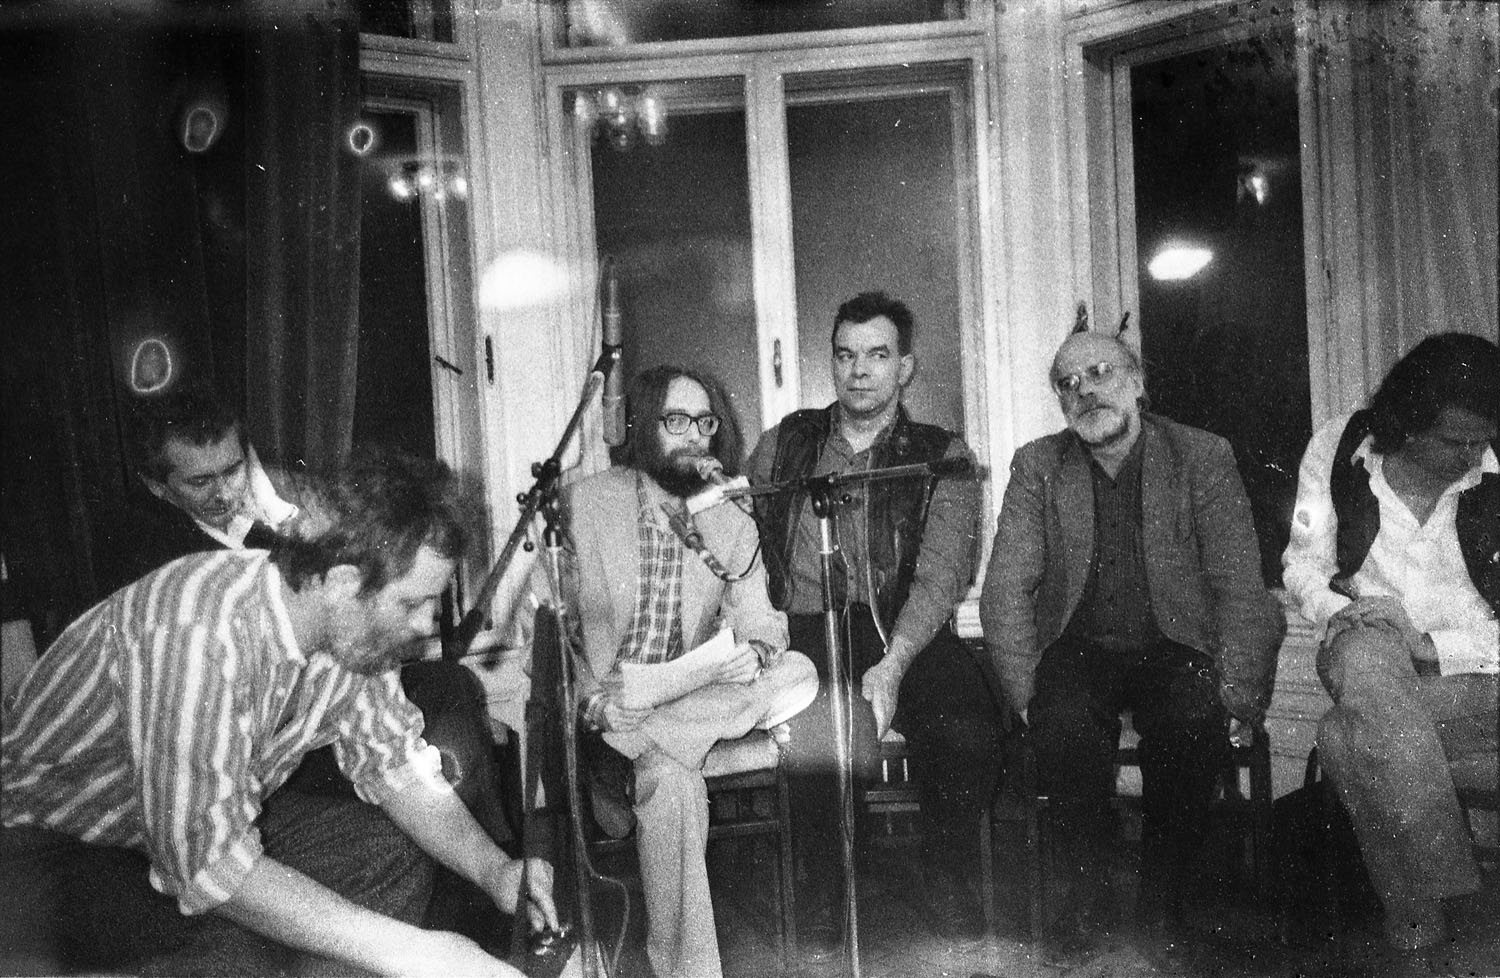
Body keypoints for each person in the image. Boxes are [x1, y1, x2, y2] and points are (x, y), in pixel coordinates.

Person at [1, 447, 557, 977]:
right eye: (412, 603)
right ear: (342, 583)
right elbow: (206, 865)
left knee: (382, 852)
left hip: (150, 832)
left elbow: (396, 763)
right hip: (48, 851)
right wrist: (415, 954)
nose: (427, 624)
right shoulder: (200, 633)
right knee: (233, 945)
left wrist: (495, 870)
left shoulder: (349, 632)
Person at [979, 322, 1284, 966]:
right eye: (1069, 385)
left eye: (1101, 374)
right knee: (1059, 725)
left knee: (1191, 720)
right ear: (1061, 407)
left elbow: (1240, 584)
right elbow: (1006, 587)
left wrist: (1241, 694)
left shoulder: (1202, 455)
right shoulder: (1040, 464)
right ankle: (1080, 918)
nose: (1086, 391)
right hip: (1080, 646)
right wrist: (1025, 693)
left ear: (1138, 382)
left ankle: (1163, 917)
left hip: (1175, 646)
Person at [747, 291, 999, 942]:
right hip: (806, 628)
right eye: (846, 354)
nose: (859, 370)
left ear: (905, 368)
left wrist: (893, 665)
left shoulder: (942, 453)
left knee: (967, 724)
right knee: (825, 734)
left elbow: (942, 575)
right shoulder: (785, 445)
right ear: (832, 361)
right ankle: (823, 894)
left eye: (878, 355)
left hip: (902, 627)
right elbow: (740, 542)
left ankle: (946, 874)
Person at [554, 364, 819, 978]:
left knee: (799, 671)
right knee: (673, 783)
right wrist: (593, 702)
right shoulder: (588, 504)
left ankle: (644, 744)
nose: (694, 435)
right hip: (611, 703)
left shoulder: (730, 518)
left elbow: (765, 624)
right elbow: (553, 634)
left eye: (704, 422)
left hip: (676, 702)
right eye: (677, 421)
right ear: (644, 427)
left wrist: (752, 650)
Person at [1282, 331, 1498, 956]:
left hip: (1479, 668)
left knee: (1344, 736)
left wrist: (1431, 645)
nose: (1471, 455)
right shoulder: (1337, 447)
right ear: (1406, 423)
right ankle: (1452, 885)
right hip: (1368, 653)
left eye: (1481, 439)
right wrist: (1340, 611)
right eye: (1454, 441)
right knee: (1370, 661)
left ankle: (1417, 912)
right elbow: (1303, 561)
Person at [92, 382, 299, 599]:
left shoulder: (254, 521)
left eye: (232, 471)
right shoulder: (159, 563)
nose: (224, 495)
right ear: (156, 486)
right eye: (201, 482)